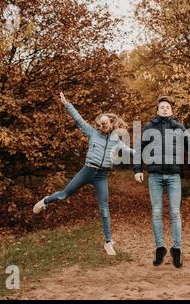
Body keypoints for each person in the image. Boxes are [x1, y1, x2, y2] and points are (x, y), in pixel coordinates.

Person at [33, 92, 134, 255]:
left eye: (106, 124)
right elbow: (78, 120)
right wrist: (67, 104)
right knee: (64, 195)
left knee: (104, 209)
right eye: (101, 125)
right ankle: (44, 201)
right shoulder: (93, 132)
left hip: (102, 175)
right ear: (99, 125)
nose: (103, 126)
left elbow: (128, 150)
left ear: (111, 122)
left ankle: (109, 242)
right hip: (87, 170)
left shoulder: (116, 139)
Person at [134, 96, 190, 268]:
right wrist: (137, 169)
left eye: (167, 107)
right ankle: (160, 248)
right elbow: (139, 148)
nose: (165, 109)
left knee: (175, 213)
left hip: (174, 176)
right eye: (162, 107)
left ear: (172, 110)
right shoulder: (149, 127)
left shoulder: (179, 127)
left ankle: (176, 250)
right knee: (156, 213)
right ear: (157, 110)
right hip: (155, 176)